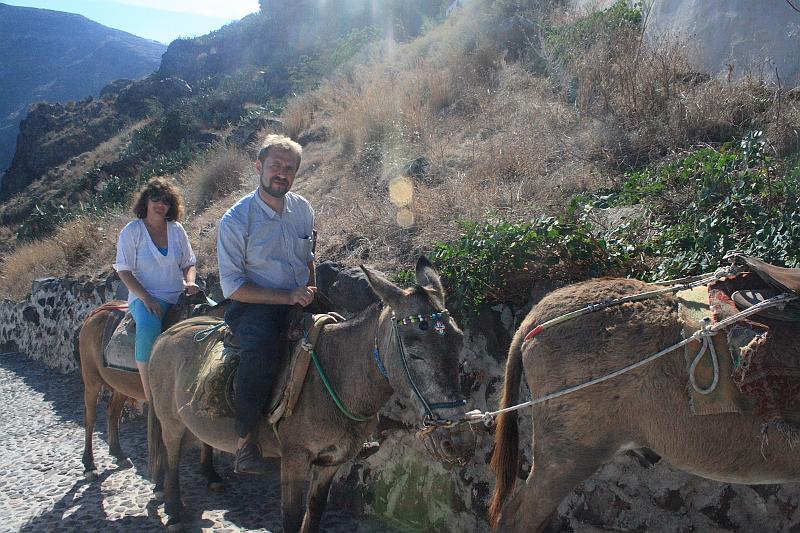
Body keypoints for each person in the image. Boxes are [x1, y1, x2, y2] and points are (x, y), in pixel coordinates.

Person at [217, 134, 316, 475]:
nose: (282, 173)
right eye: (275, 166)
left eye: (289, 168)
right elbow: (232, 286)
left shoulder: (303, 209)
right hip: (253, 304)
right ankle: (245, 441)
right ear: (259, 167)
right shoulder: (235, 220)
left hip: (299, 297)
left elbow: (309, 257)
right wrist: (286, 297)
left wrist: (310, 287)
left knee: (344, 333)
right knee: (262, 352)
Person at [113, 178, 199, 401]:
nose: (161, 204)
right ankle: (151, 397)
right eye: (156, 199)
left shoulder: (177, 230)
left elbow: (188, 262)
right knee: (149, 327)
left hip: (177, 294)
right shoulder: (132, 231)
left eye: (166, 201)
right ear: (146, 201)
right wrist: (146, 298)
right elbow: (124, 271)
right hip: (146, 297)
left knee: (215, 317)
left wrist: (190, 282)